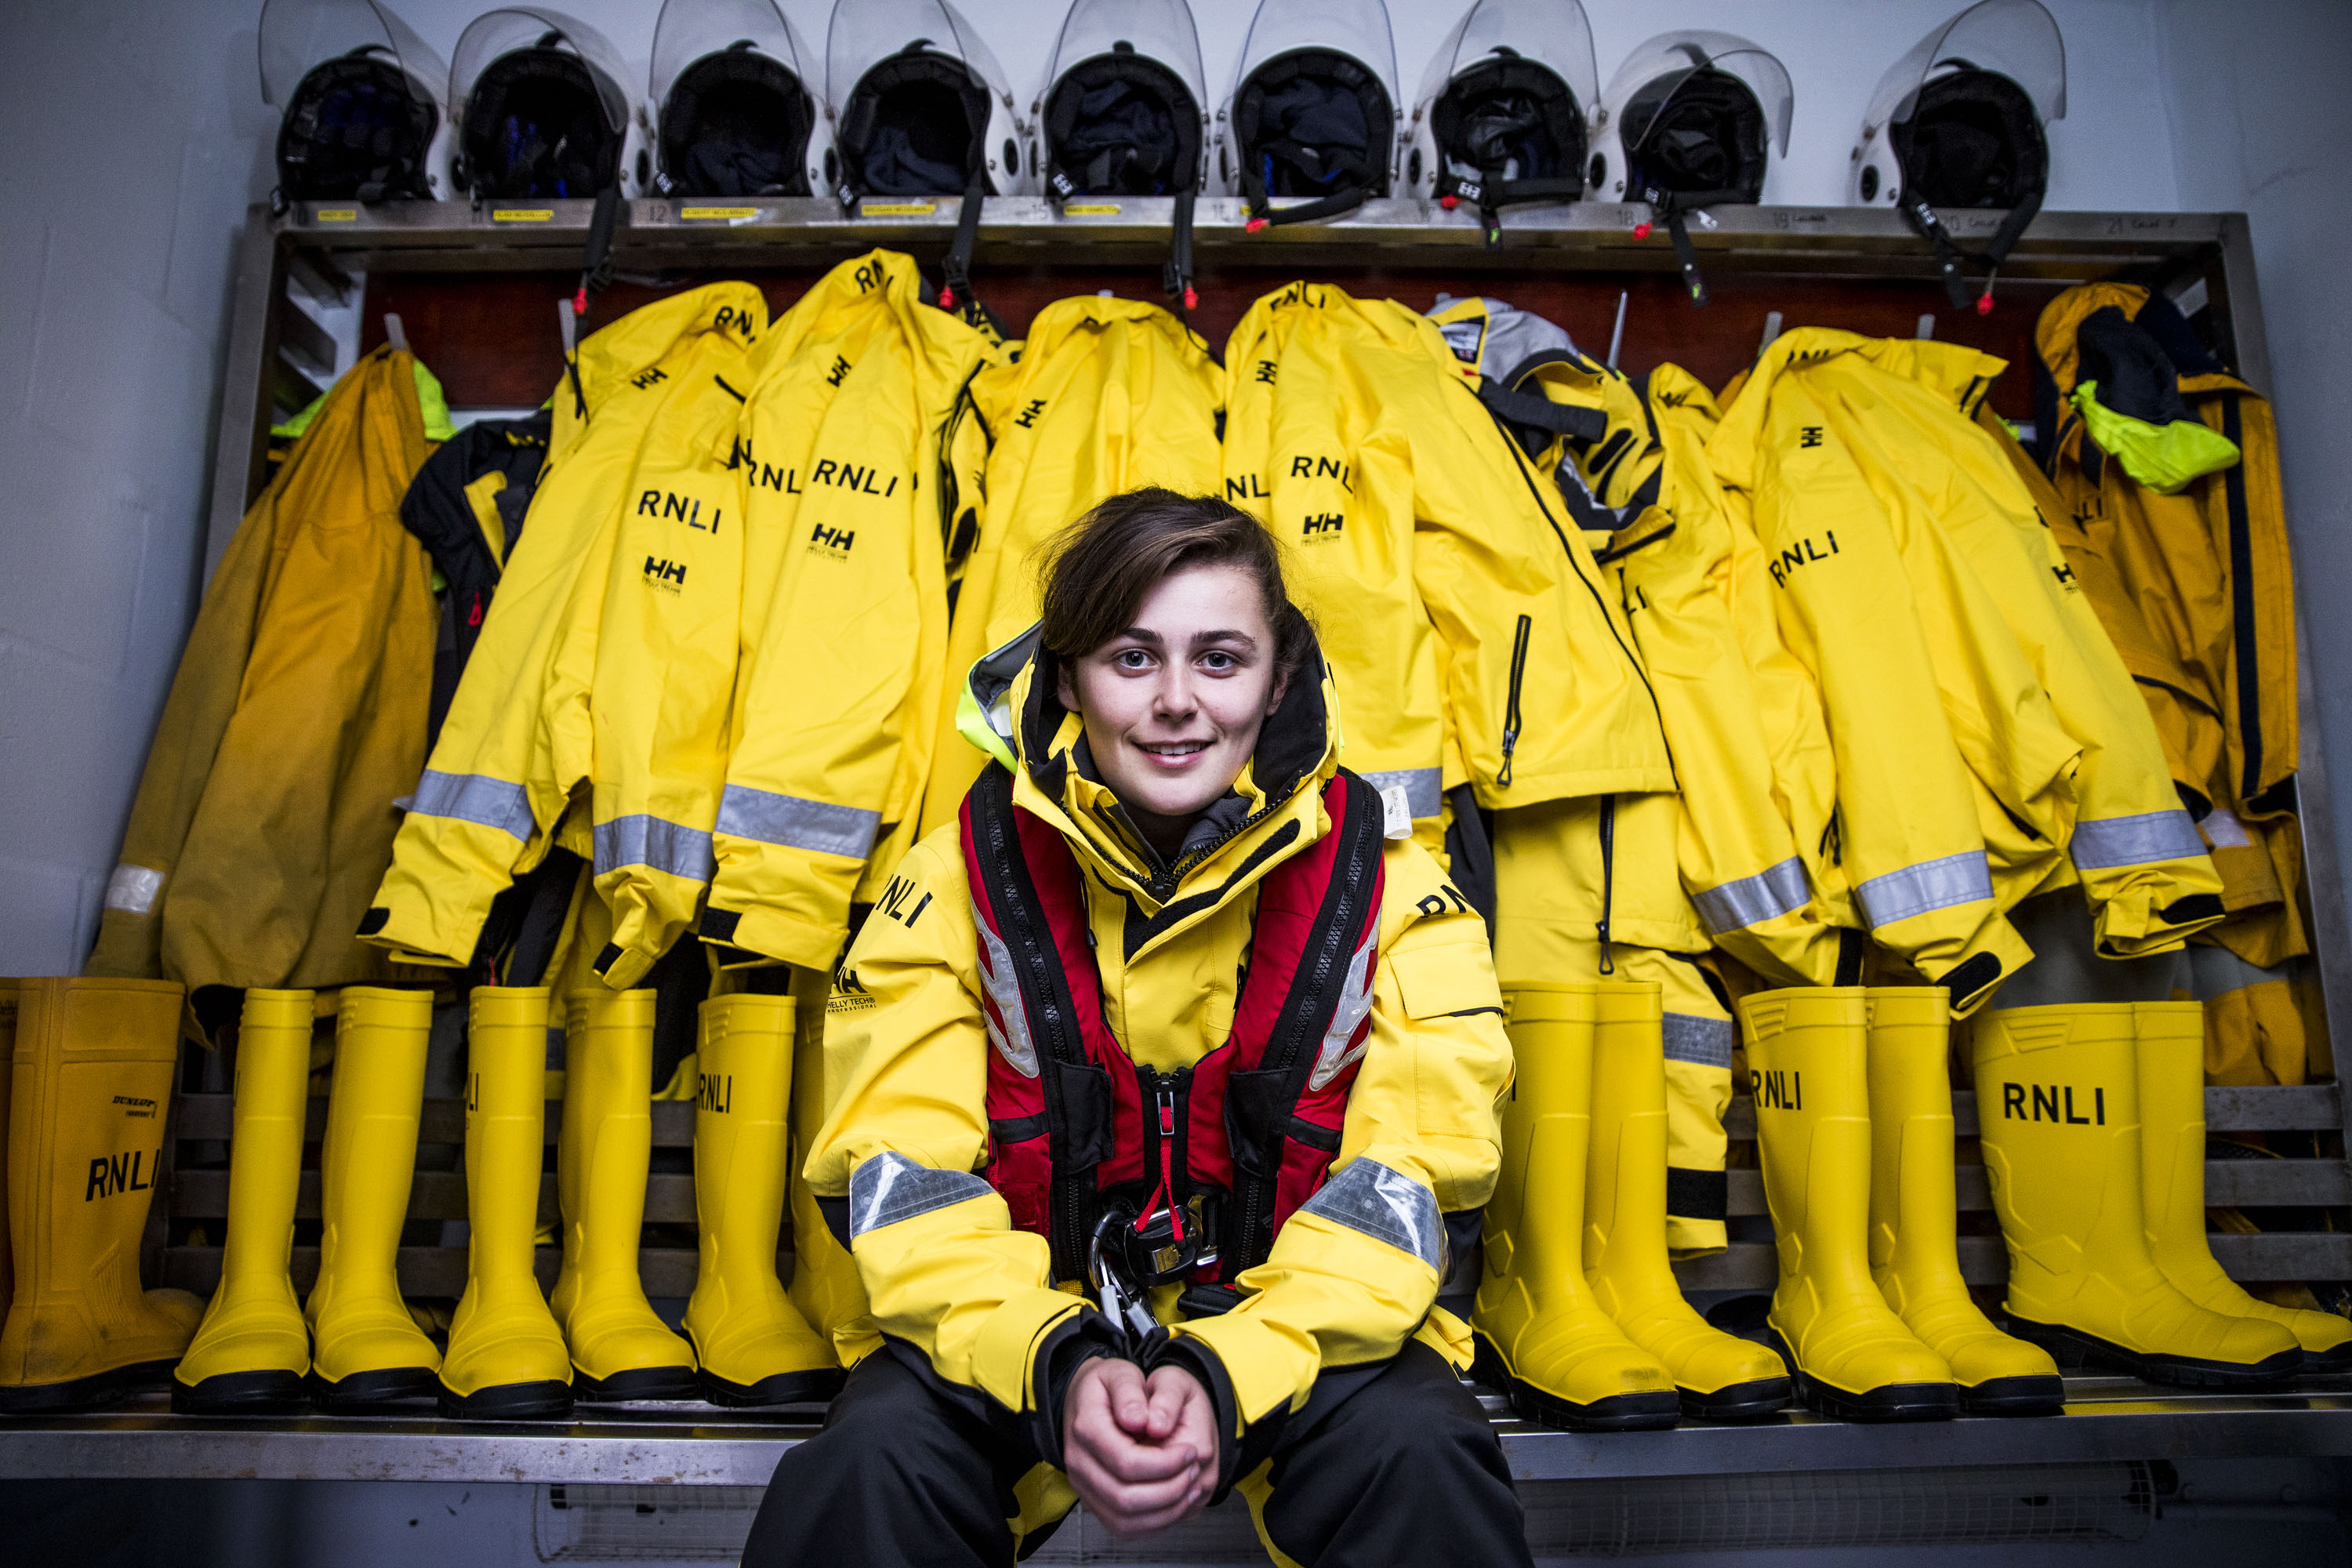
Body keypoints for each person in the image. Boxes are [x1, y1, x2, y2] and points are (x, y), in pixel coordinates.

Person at [741, 489, 1531, 1567]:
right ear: (1066, 678)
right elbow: (902, 1181)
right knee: (871, 1465)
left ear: (1280, 676)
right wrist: (1057, 1365)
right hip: (1019, 1333)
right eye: (1129, 658)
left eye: (1219, 659)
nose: (1174, 702)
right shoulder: (950, 881)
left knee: (1424, 1454)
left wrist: (1228, 1375)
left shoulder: (1393, 889)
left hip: (1305, 1333)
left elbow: (1415, 1181)